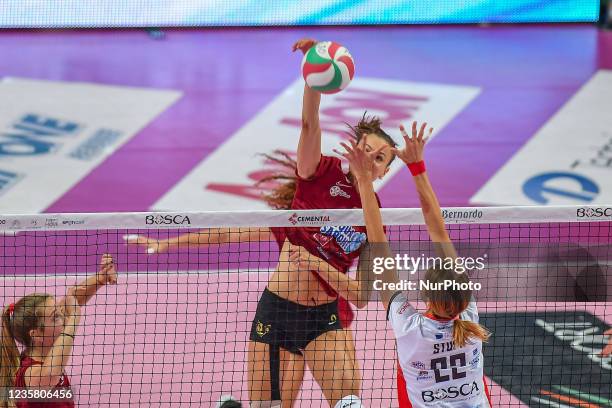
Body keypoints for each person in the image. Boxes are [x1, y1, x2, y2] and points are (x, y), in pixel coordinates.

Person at [336, 123, 493, 407]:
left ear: (426, 294)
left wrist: (364, 180)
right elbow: (439, 232)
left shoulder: (411, 329)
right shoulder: (469, 320)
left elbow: (379, 244)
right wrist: (417, 166)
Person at [1, 254, 117, 408]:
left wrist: (100, 279)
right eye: (55, 317)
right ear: (35, 334)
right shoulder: (31, 373)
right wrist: (75, 317)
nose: (62, 317)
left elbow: (68, 304)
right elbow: (51, 374)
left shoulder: (46, 353)